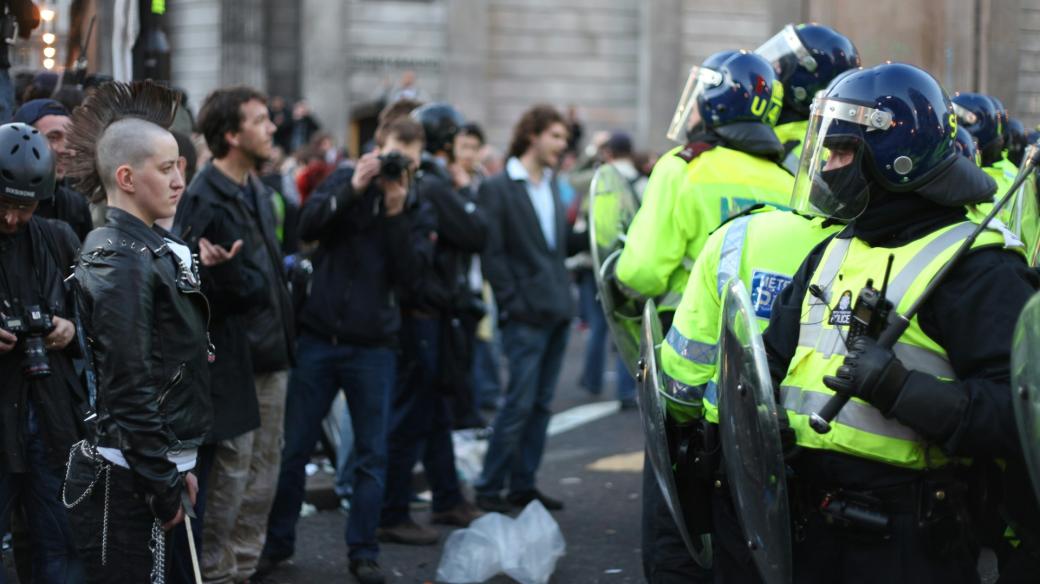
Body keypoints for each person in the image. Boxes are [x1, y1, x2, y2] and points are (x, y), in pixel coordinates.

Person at [764, 62, 1039, 582]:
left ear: (896, 159)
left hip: (907, 539)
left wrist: (902, 390)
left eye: (841, 152)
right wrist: (765, 418)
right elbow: (768, 359)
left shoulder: (978, 268)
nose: (826, 166)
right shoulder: (830, 250)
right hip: (807, 525)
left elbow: (1020, 418)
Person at [614, 49, 792, 584]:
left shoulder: (682, 168)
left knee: (676, 513)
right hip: (763, 364)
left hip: (683, 350)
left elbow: (641, 272)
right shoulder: (785, 182)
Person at [261, 114, 432, 584]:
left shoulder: (414, 202)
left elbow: (413, 280)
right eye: (393, 154)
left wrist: (396, 212)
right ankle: (277, 543)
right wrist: (353, 188)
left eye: (409, 161)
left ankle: (364, 550)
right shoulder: (344, 178)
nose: (398, 167)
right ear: (378, 146)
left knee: (371, 456)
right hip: (319, 338)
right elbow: (308, 227)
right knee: (294, 448)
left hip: (374, 347)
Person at [64, 80, 211, 583]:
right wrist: (160, 481)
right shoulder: (117, 258)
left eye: (180, 167)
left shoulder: (142, 249)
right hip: (129, 480)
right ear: (126, 177)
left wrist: (172, 466)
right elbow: (129, 384)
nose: (179, 181)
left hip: (151, 468)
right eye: (167, 168)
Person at [173, 85, 296, 584]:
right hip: (232, 362)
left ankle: (243, 568)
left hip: (273, 355)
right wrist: (216, 276)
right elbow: (186, 290)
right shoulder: (204, 196)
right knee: (231, 480)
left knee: (264, 477)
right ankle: (220, 574)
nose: (272, 128)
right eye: (260, 120)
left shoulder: (257, 190)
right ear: (231, 133)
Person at [376, 102, 486, 546]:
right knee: (413, 414)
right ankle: (393, 510)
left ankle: (446, 497)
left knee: (436, 409)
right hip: (423, 313)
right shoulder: (437, 185)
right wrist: (467, 195)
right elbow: (478, 234)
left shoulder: (427, 183)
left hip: (428, 312)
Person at [474, 104, 574, 513]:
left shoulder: (552, 183)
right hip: (525, 315)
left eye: (564, 138)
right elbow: (492, 255)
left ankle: (523, 483)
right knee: (518, 402)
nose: (561, 145)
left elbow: (557, 246)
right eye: (555, 136)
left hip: (557, 308)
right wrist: (513, 304)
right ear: (532, 135)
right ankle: (487, 486)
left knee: (542, 405)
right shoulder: (498, 186)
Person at [0, 122, 86, 584]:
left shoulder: (58, 239)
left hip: (51, 417)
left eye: (24, 206)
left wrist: (72, 331)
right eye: (4, 204)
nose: (13, 218)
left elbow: (96, 327)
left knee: (64, 544)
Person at [755, 23, 860, 173]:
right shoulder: (771, 134)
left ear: (801, 87)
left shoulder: (810, 151)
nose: (773, 69)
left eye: (780, 65)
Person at [12, 99, 94, 241]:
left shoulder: (75, 205)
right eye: (53, 137)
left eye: (70, 139)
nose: (66, 150)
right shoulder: (6, 206)